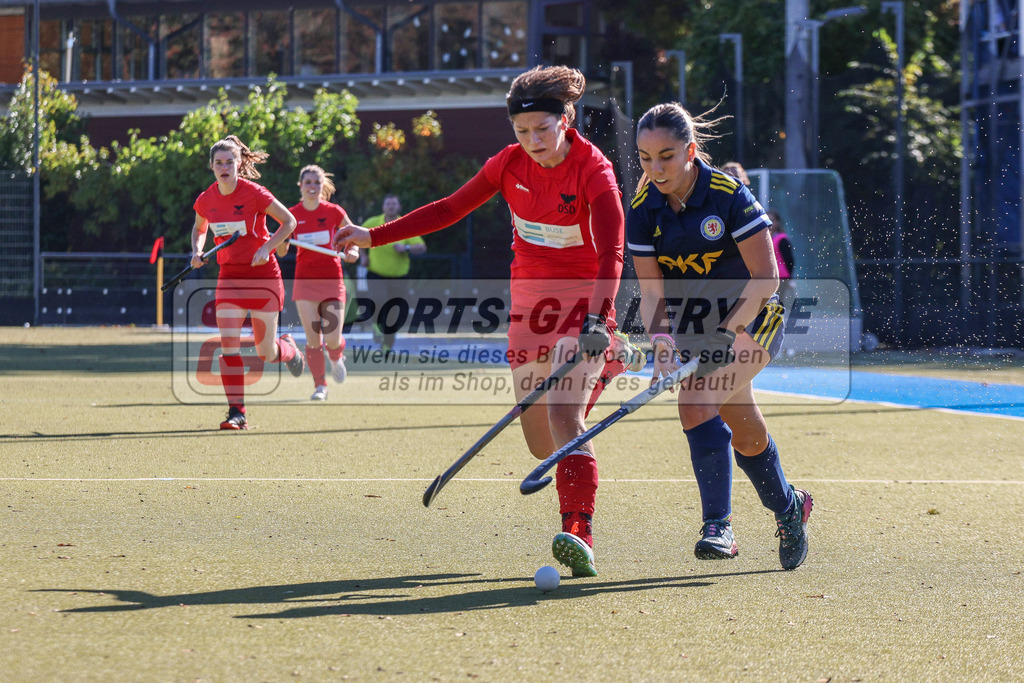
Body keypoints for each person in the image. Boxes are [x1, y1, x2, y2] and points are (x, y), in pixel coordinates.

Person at [335, 65, 644, 577]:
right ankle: (611, 365)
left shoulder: (595, 172)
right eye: (522, 132)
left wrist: (598, 318)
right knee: (541, 444)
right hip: (529, 305)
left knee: (566, 421)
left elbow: (613, 251)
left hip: (584, 303)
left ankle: (578, 530)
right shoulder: (507, 164)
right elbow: (447, 210)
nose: (533, 141)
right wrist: (373, 237)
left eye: (543, 129)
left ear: (567, 119)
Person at [626, 103, 813, 570]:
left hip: (753, 317)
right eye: (645, 158)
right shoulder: (644, 206)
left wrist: (728, 332)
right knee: (745, 434)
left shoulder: (729, 195)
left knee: (696, 398)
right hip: (693, 325)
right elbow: (651, 291)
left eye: (666, 156)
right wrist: (663, 343)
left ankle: (718, 526)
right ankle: (790, 507)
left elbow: (767, 277)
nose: (655, 169)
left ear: (691, 150)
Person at [191, 135, 305, 430]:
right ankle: (236, 412)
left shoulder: (255, 193)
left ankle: (289, 349)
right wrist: (197, 251)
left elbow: (289, 221)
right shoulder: (206, 199)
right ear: (212, 167)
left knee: (266, 353)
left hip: (264, 277)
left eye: (230, 162)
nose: (224, 167)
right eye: (219, 163)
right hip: (229, 277)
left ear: (239, 164)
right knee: (228, 344)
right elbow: (199, 228)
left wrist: (267, 247)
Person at [280, 164, 360, 401]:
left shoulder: (334, 211)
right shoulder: (291, 215)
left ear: (322, 186)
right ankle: (320, 386)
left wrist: (352, 251)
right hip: (305, 282)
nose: (312, 187)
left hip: (332, 280)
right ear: (300, 186)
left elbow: (352, 236)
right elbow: (282, 251)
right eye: (308, 183)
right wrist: (281, 244)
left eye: (317, 182)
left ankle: (336, 358)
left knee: (333, 338)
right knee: (314, 338)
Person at [360, 194, 427, 351]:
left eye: (394, 203)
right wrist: (363, 257)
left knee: (394, 313)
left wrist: (406, 248)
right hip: (376, 273)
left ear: (399, 207)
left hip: (399, 277)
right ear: (383, 207)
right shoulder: (372, 222)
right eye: (388, 203)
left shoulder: (406, 225)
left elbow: (422, 247)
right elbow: (358, 240)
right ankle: (376, 325)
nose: (391, 206)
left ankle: (387, 345)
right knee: (378, 299)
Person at [766, 210, 797, 309]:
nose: (769, 223)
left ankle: (777, 322)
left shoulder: (781, 239)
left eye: (772, 220)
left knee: (776, 302)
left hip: (781, 276)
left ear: (778, 223)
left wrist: (789, 278)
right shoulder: (766, 238)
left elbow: (789, 259)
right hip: (769, 276)